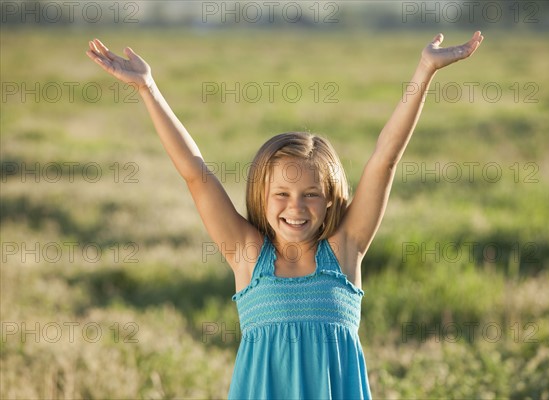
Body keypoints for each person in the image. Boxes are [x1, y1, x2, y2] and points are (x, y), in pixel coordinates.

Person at [86, 31, 484, 399]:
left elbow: (385, 160)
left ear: (330, 199)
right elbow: (195, 173)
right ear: (262, 193)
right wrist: (148, 89)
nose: (296, 207)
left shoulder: (345, 251)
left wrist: (425, 70)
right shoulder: (247, 254)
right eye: (282, 194)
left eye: (311, 194)